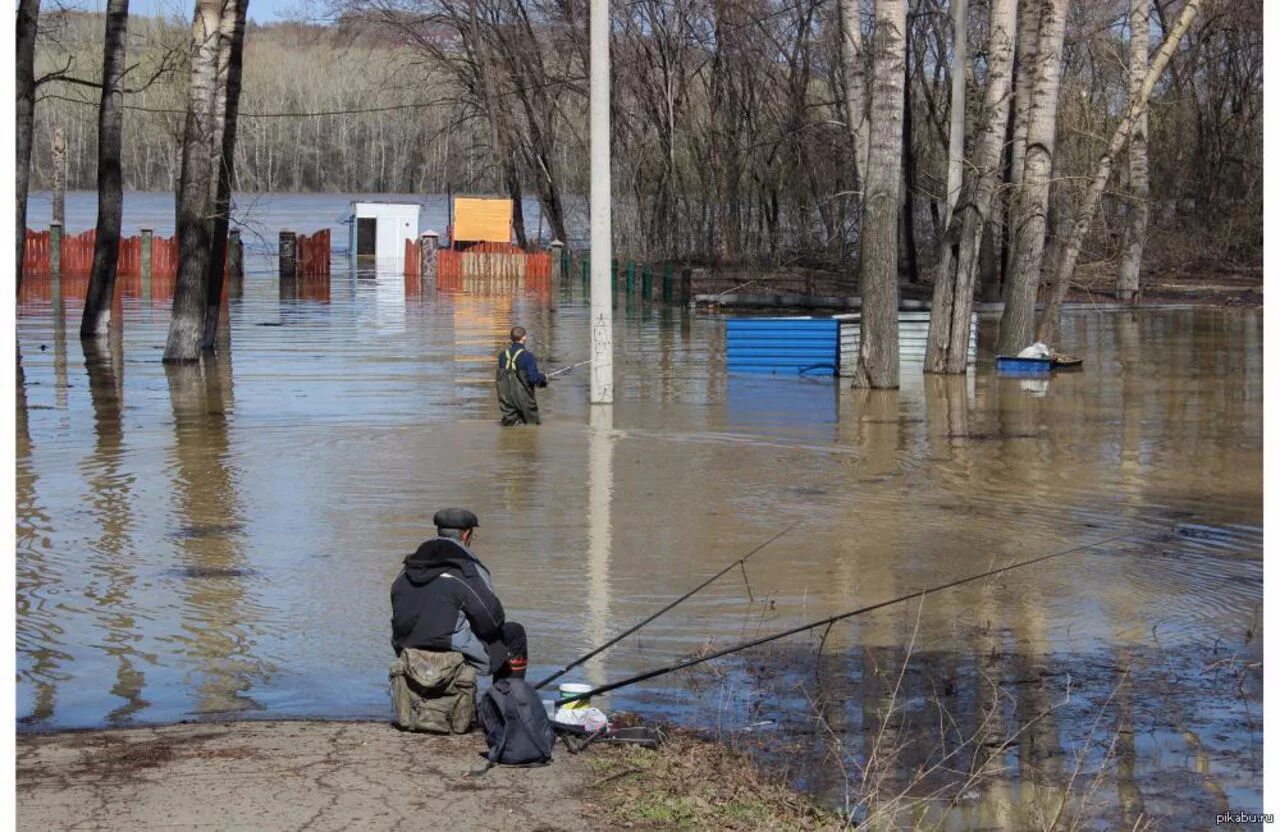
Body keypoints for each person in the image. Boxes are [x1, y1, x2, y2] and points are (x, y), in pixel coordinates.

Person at [390, 508, 528, 679]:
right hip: (451, 648)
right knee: (514, 633)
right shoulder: (468, 567)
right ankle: (506, 700)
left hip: (406, 648)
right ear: (465, 535)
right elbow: (492, 621)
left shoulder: (408, 567)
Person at [496, 326, 548, 426]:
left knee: (509, 430)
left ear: (511, 338)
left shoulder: (502, 355)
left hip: (506, 401)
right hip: (525, 402)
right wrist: (543, 378)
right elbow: (532, 378)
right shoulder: (528, 356)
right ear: (524, 338)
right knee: (532, 429)